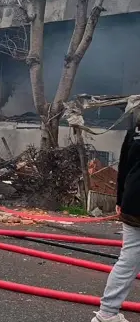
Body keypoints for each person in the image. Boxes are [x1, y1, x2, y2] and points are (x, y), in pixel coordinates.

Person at [91, 120, 140, 322]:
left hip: (132, 201)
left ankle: (107, 314)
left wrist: (120, 200)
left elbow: (124, 167)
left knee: (127, 260)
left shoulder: (135, 130)